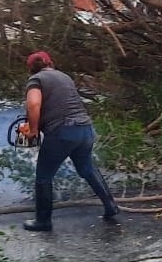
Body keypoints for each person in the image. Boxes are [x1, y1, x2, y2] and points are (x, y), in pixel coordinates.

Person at [21, 50, 120, 231]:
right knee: (87, 168)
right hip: (85, 129)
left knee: (43, 176)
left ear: (31, 69)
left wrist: (33, 130)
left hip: (62, 132)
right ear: (50, 62)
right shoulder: (65, 77)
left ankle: (43, 221)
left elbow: (34, 104)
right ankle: (110, 206)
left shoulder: (36, 80)